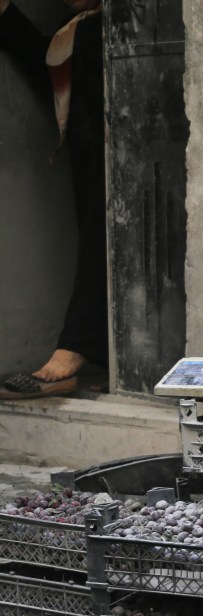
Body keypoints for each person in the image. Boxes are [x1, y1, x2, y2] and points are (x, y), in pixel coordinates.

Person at [0, 0, 107, 399]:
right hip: (89, 158)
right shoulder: (76, 27)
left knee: (104, 249)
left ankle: (75, 347)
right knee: (97, 250)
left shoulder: (122, 24)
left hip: (128, 158)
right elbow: (48, 66)